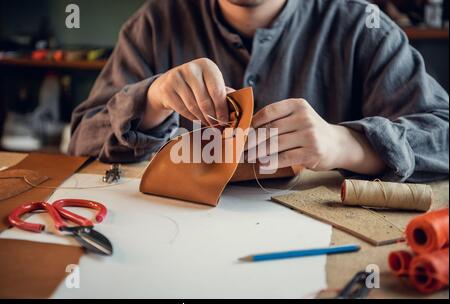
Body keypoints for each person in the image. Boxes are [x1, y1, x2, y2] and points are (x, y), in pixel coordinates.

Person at [69, 0, 449, 182]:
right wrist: (150, 102)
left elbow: (443, 134)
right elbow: (81, 141)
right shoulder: (155, 23)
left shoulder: (362, 27)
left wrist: (347, 144)